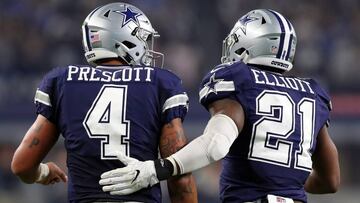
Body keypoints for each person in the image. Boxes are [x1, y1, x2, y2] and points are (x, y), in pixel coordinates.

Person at [98, 9, 340, 203]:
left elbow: (215, 145)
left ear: (250, 44)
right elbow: (331, 180)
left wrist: (156, 170)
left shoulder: (239, 78)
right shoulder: (312, 92)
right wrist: (287, 182)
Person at [11, 2, 197, 203]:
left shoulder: (63, 81)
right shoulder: (160, 82)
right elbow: (179, 176)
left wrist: (43, 172)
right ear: (122, 39)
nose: (147, 46)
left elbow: (22, 166)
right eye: (143, 38)